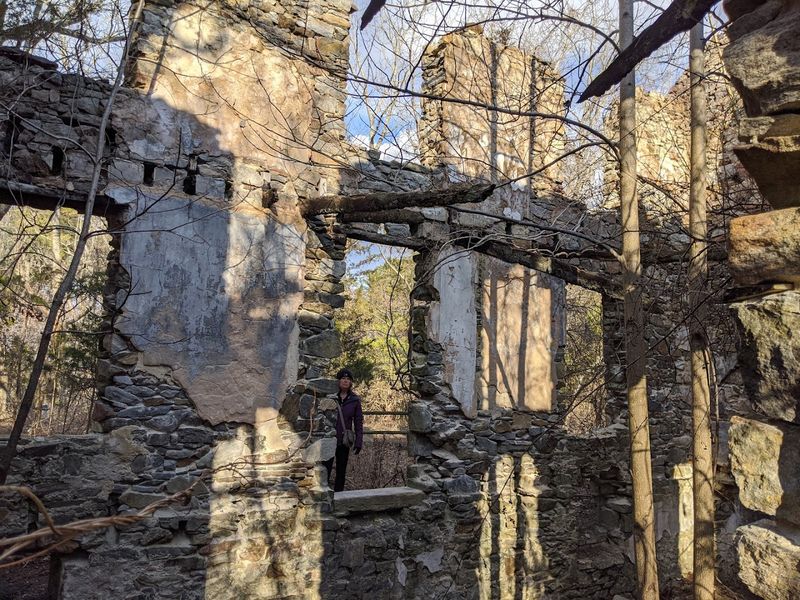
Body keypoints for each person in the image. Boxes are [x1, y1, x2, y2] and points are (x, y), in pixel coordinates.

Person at [323, 368, 363, 492]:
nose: (345, 381)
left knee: (341, 470)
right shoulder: (330, 397)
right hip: (329, 438)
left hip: (343, 440)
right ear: (338, 381)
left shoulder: (355, 400)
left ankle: (339, 496)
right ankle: (323, 495)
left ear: (351, 383)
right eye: (343, 379)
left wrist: (358, 442)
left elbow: (358, 422)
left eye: (348, 379)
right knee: (325, 469)